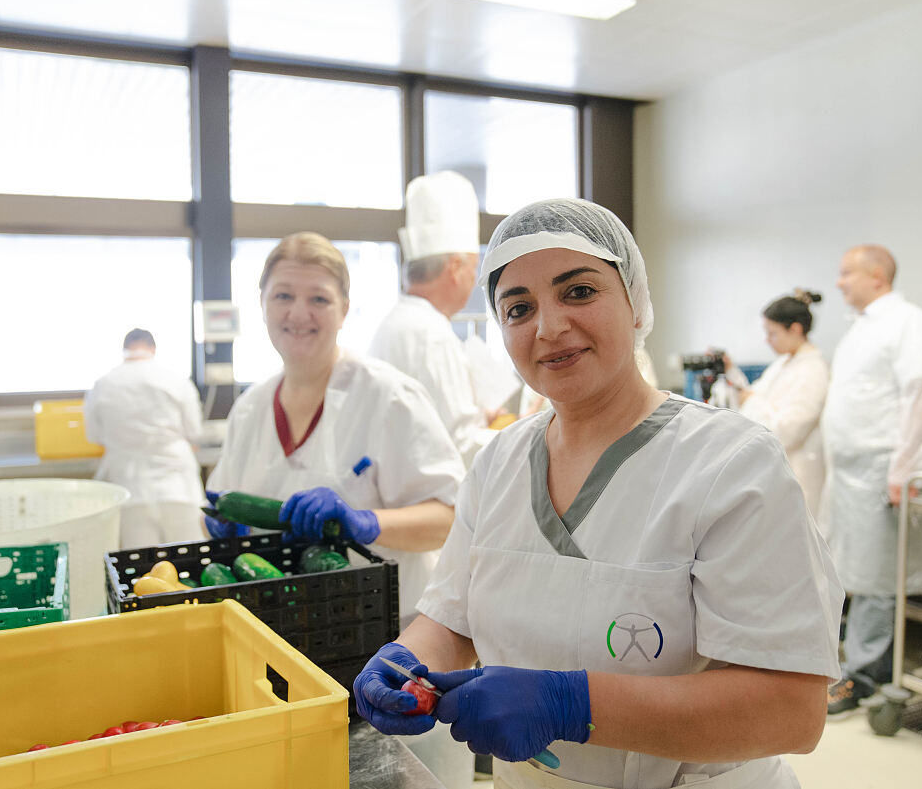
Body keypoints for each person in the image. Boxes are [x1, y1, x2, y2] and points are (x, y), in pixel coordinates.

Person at [354, 199, 843, 789]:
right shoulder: (500, 462)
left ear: (635, 302)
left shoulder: (731, 464)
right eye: (518, 308)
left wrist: (573, 705)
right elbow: (451, 618)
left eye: (579, 292)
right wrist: (407, 660)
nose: (549, 327)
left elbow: (789, 710)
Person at [206, 232, 465, 621]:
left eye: (319, 299)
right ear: (261, 304)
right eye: (283, 296)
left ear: (344, 310)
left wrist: (366, 522)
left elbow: (450, 518)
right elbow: (220, 498)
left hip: (387, 632)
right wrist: (224, 528)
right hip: (281, 624)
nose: (297, 314)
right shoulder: (250, 410)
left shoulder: (389, 396)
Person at [821, 244, 922, 715]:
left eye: (846, 272)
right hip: (853, 474)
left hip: (883, 472)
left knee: (876, 577)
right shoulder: (863, 329)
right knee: (853, 569)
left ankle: (865, 677)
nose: (838, 282)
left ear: (877, 275)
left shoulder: (910, 323)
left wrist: (905, 468)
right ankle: (849, 663)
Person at [370, 171, 497, 466]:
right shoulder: (431, 334)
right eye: (474, 266)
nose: (475, 279)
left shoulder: (400, 321)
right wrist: (528, 431)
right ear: (455, 267)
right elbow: (460, 446)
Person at [84, 328, 206, 547]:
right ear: (153, 349)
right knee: (190, 561)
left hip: (129, 486)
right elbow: (194, 431)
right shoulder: (175, 379)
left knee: (140, 569)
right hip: (177, 485)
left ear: (125, 349)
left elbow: (94, 435)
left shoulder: (102, 385)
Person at [723, 290, 830, 524]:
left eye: (772, 333)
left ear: (795, 329)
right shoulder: (784, 363)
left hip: (798, 473)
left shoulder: (813, 371)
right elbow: (755, 395)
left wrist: (750, 401)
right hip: (774, 473)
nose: (767, 340)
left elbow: (788, 430)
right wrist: (731, 372)